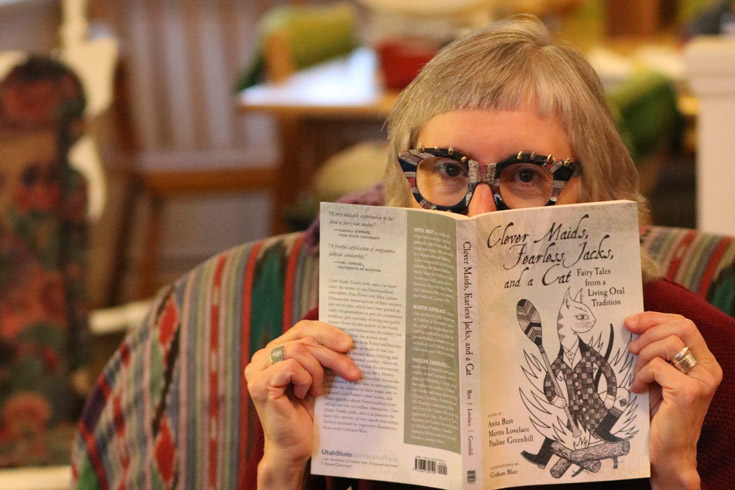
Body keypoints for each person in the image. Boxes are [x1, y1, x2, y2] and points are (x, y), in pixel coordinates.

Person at [70, 15, 734, 490]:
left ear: (604, 195)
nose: (478, 214)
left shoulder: (695, 355)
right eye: (448, 171)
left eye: (525, 177)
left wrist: (675, 470)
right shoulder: (330, 350)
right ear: (401, 188)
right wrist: (282, 466)